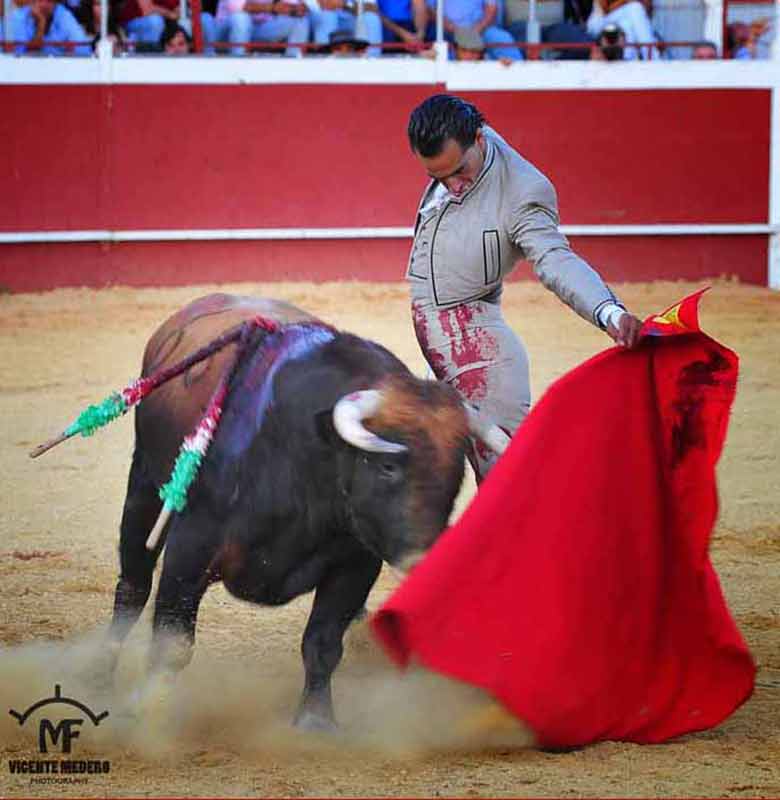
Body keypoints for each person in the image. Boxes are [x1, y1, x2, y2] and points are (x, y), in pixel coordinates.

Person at [405, 94, 642, 479]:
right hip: (442, 345)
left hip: (481, 354)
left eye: (460, 171)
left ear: (480, 140)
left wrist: (607, 310)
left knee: (505, 478)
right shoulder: (458, 140)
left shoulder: (523, 192)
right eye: (438, 177)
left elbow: (554, 259)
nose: (453, 186)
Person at [423, 0, 524, 61]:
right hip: (445, 28)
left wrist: (476, 30)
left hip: (480, 28)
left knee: (500, 37)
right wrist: (448, 26)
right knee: (437, 46)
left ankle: (516, 68)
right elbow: (430, 9)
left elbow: (492, 9)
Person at [203, 0, 310, 56]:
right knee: (241, 18)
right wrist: (273, 7)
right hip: (225, 34)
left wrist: (297, 9)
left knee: (299, 21)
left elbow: (292, 5)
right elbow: (238, 7)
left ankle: (291, 69)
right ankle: (238, 65)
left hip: (256, 30)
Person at [11, 0, 91, 54]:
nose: (43, 5)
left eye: (49, 0)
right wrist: (41, 25)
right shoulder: (19, 16)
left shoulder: (63, 15)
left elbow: (83, 51)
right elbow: (21, 56)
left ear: (55, 2)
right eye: (40, 0)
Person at [586, 0, 658, 59]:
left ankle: (627, 60)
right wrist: (625, 2)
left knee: (626, 24)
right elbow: (606, 9)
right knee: (635, 8)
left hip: (618, 20)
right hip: (597, 23)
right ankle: (653, 59)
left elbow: (648, 9)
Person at [309, 0, 383, 58]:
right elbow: (314, 5)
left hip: (352, 18)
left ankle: (371, 60)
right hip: (319, 18)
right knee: (328, 16)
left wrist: (344, 4)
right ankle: (322, 59)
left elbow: (372, 8)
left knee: (371, 18)